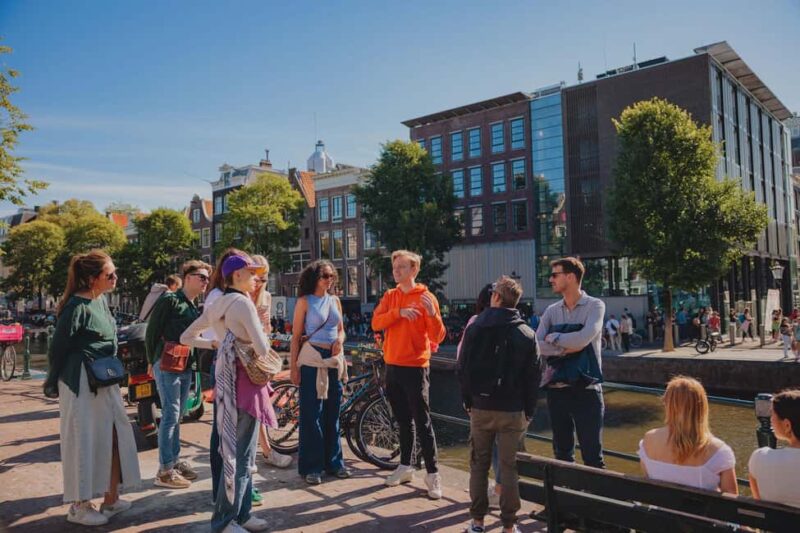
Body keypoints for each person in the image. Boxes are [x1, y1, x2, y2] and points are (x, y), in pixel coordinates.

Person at [43, 250, 141, 526]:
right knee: (82, 439)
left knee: (114, 435)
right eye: (109, 274)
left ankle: (110, 499)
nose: (115, 278)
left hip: (104, 377)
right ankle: (79, 505)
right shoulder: (76, 307)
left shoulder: (100, 301)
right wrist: (52, 382)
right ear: (91, 278)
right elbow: (58, 349)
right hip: (81, 381)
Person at [181, 254, 275, 532]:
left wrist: (218, 344)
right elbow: (261, 348)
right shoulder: (244, 304)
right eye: (251, 273)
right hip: (247, 384)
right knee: (243, 457)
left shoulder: (217, 302)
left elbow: (186, 337)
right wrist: (262, 330)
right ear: (236, 276)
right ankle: (224, 521)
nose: (256, 278)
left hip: (226, 385)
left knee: (230, 452)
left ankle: (241, 515)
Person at [458, 276, 541, 533]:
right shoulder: (527, 333)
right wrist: (529, 410)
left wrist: (467, 400)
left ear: (495, 298)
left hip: (481, 407)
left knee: (478, 465)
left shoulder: (474, 329)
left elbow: (463, 368)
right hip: (513, 410)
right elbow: (533, 376)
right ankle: (508, 525)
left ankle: (477, 522)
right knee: (509, 469)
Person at [372, 250, 447, 498]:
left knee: (423, 422)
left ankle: (433, 474)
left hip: (415, 367)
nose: (396, 272)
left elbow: (438, 336)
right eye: (395, 267)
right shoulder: (390, 296)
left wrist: (434, 315)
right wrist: (398, 313)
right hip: (392, 365)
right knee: (403, 420)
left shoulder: (426, 298)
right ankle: (405, 466)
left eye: (402, 267)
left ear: (414, 271)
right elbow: (376, 323)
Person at [144, 260, 210, 489]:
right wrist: (151, 360)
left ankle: (174, 460)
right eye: (202, 277)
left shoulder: (194, 306)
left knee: (179, 413)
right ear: (188, 277)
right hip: (167, 361)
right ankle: (164, 471)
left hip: (185, 364)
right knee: (171, 413)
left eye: (207, 278)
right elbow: (152, 332)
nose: (206, 282)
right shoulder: (169, 300)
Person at [536, 257, 606, 468]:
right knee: (562, 454)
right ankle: (567, 499)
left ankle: (593, 500)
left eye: (555, 275)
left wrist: (555, 338)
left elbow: (585, 338)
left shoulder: (595, 305)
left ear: (571, 277)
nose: (551, 279)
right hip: (557, 390)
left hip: (587, 389)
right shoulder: (551, 311)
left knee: (592, 455)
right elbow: (537, 345)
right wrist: (570, 345)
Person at [289, 260, 350, 485]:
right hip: (312, 359)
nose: (329, 280)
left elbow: (341, 330)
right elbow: (296, 337)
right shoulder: (305, 302)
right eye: (325, 276)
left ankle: (334, 462)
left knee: (333, 412)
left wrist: (339, 342)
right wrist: (293, 368)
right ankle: (311, 467)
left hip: (332, 360)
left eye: (332, 276)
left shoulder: (335, 300)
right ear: (315, 278)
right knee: (311, 415)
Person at [638, 376, 737, 494]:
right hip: (701, 512)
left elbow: (647, 479)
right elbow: (731, 498)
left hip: (658, 511)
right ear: (702, 407)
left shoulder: (649, 440)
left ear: (668, 405)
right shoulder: (718, 451)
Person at [248, 255, 293, 470]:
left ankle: (265, 451)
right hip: (241, 357)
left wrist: (265, 324)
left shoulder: (265, 296)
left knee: (258, 405)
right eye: (256, 276)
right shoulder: (240, 295)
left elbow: (265, 331)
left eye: (264, 278)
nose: (259, 282)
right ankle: (262, 453)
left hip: (258, 359)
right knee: (248, 408)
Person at [748, 389, 800, 507]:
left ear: (787, 425)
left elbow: (758, 503)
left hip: (772, 525)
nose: (770, 419)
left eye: (773, 414)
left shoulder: (759, 458)